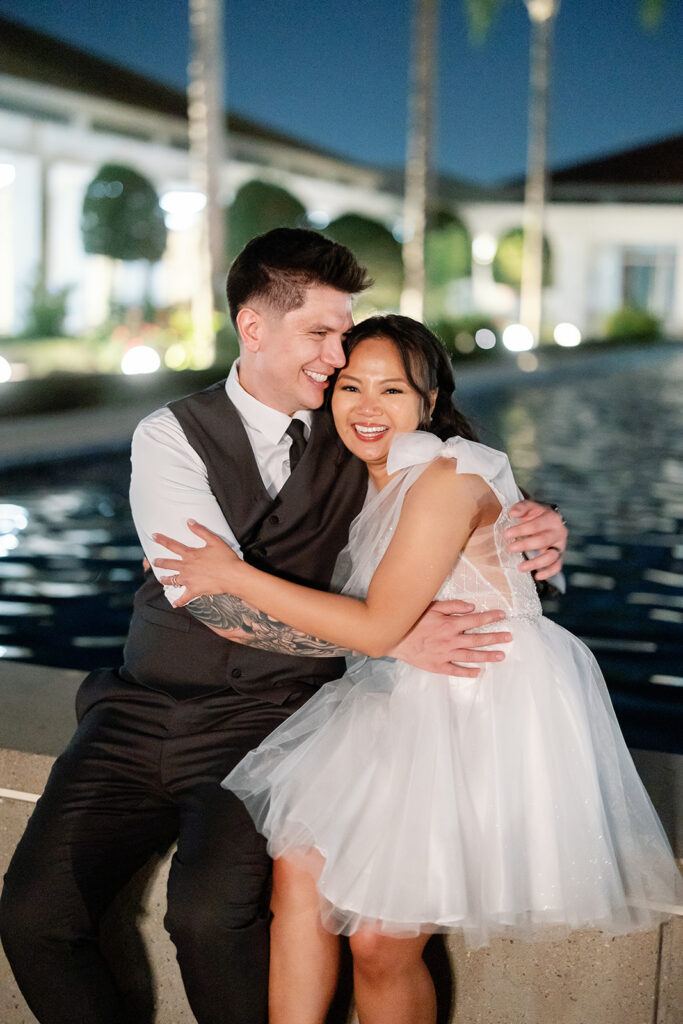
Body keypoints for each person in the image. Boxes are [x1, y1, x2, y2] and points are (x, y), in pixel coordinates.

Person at [0, 230, 567, 1024]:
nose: (340, 359)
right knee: (32, 917)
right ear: (254, 327)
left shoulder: (358, 429)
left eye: (345, 334)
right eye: (323, 334)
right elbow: (211, 602)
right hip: (138, 710)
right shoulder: (170, 435)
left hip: (269, 722)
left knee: (209, 916)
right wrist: (386, 635)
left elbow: (466, 491)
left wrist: (540, 529)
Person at [152, 314, 682, 1024]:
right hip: (393, 694)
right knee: (298, 879)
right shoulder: (363, 475)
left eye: (392, 390)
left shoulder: (446, 476)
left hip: (479, 702)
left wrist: (232, 575)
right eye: (350, 386)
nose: (367, 407)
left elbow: (377, 625)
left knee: (377, 940)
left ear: (428, 402)